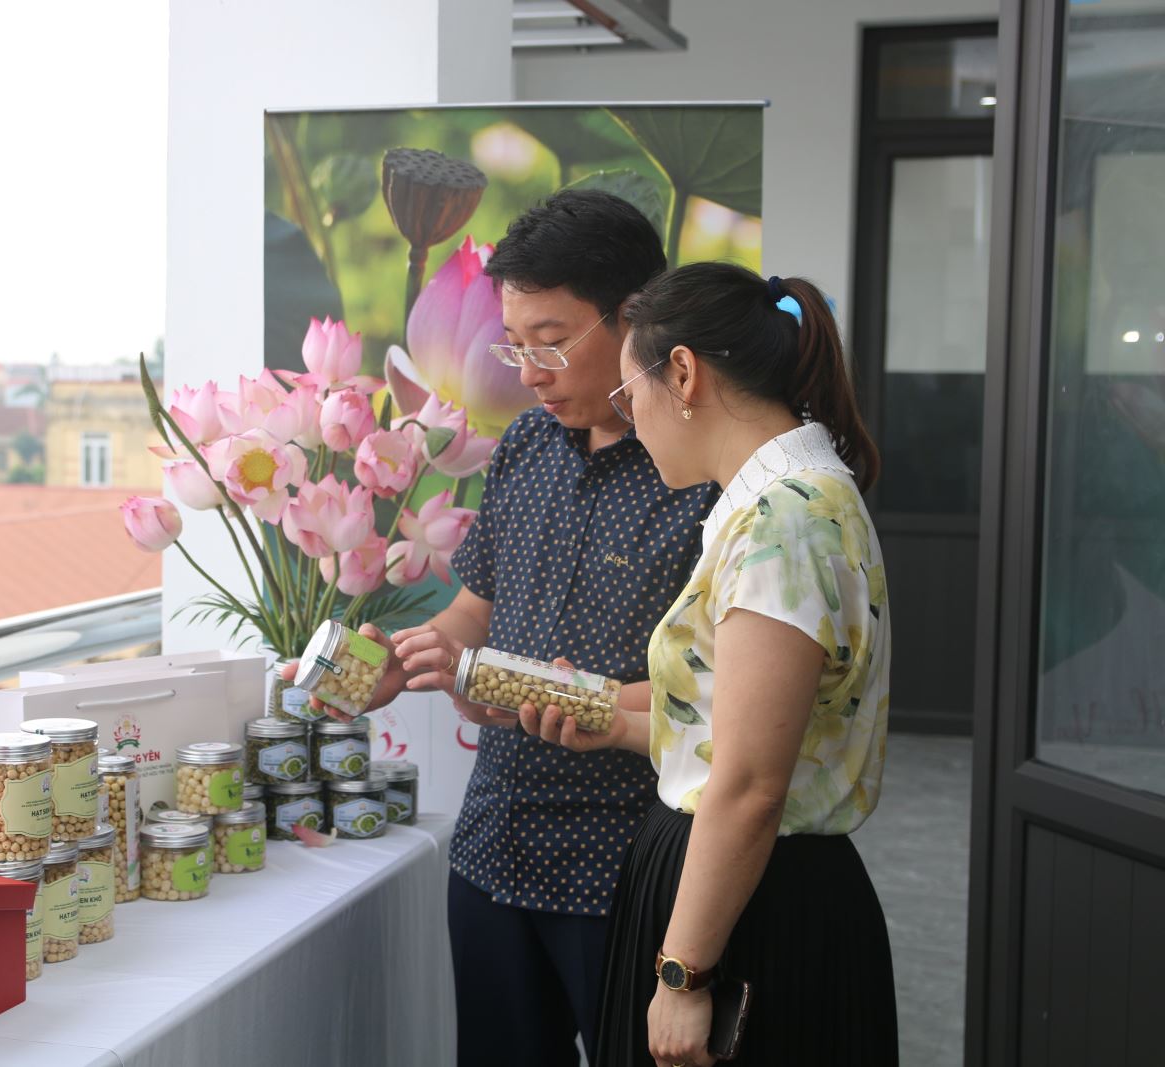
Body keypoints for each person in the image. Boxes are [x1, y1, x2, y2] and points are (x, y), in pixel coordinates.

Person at [289, 189, 716, 1064]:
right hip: (494, 848)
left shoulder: (705, 474)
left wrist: (550, 692)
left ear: (634, 317)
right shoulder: (522, 447)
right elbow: (469, 612)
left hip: (627, 866)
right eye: (514, 344)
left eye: (552, 343)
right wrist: (404, 662)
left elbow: (716, 697)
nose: (529, 371)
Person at [524, 262, 899, 1066]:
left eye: (631, 395)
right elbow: (733, 723)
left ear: (683, 372)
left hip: (753, 902)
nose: (633, 420)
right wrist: (605, 711)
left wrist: (684, 972)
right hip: (747, 881)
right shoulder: (789, 502)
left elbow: (750, 784)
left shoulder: (785, 521)